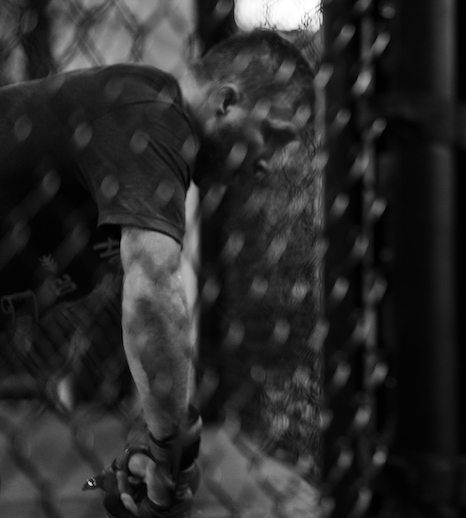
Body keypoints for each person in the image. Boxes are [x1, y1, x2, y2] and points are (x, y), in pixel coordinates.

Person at [0, 29, 313, 517]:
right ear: (227, 102)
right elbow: (152, 295)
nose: (270, 164)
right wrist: (172, 448)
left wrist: (154, 438)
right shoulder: (153, 116)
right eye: (272, 134)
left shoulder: (148, 139)